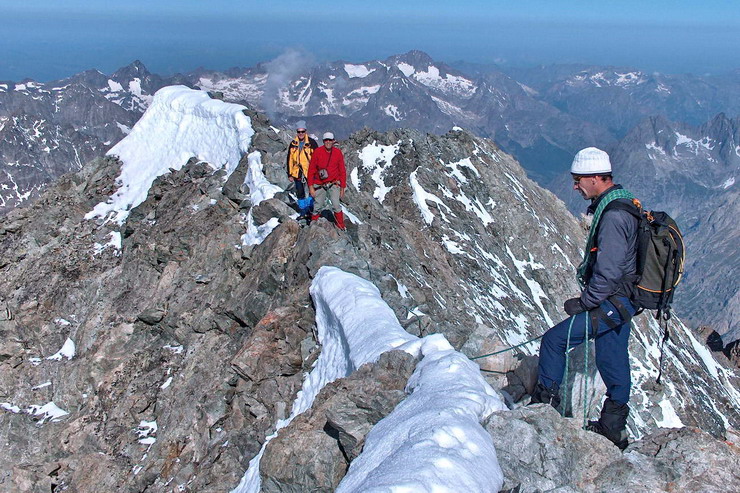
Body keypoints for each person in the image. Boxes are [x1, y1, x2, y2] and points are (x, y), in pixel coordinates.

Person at [530, 147, 639, 450]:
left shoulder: (614, 216)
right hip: (624, 302)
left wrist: (586, 301)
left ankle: (543, 413)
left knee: (554, 341)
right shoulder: (624, 203)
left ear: (594, 177)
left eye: (578, 180)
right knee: (612, 358)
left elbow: (608, 270)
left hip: (610, 302)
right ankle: (613, 428)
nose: (575, 186)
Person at [307, 132, 347, 230]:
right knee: (317, 206)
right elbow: (311, 170)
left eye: (330, 140)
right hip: (320, 184)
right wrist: (311, 187)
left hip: (333, 183)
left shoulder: (337, 153)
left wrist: (342, 188)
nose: (328, 142)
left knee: (336, 205)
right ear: (323, 141)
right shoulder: (317, 152)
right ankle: (313, 226)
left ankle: (341, 226)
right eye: (326, 140)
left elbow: (342, 171)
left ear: (333, 141)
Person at [286, 120, 318, 221]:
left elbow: (317, 158)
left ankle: (310, 211)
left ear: (305, 131)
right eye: (299, 132)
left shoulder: (312, 143)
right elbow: (290, 159)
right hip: (297, 172)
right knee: (300, 193)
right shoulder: (293, 144)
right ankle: (303, 212)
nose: (300, 134)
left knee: (311, 192)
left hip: (310, 172)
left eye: (302, 131)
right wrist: (290, 174)